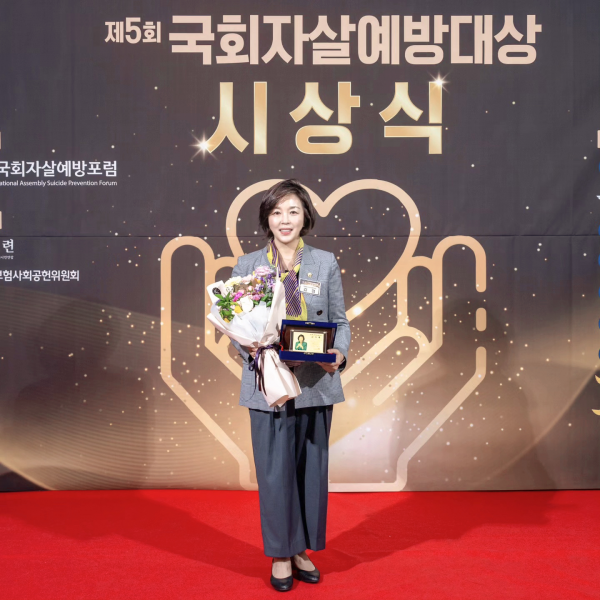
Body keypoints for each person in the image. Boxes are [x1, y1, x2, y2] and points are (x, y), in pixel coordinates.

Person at [229, 179, 351, 591]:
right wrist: (257, 349)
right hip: (269, 383)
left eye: (293, 211)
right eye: (277, 212)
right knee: (275, 474)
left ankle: (301, 549)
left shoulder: (324, 262)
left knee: (309, 472)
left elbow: (341, 321)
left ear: (305, 218)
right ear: (267, 218)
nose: (285, 220)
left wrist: (339, 353)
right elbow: (234, 326)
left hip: (315, 382)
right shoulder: (248, 266)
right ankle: (281, 554)